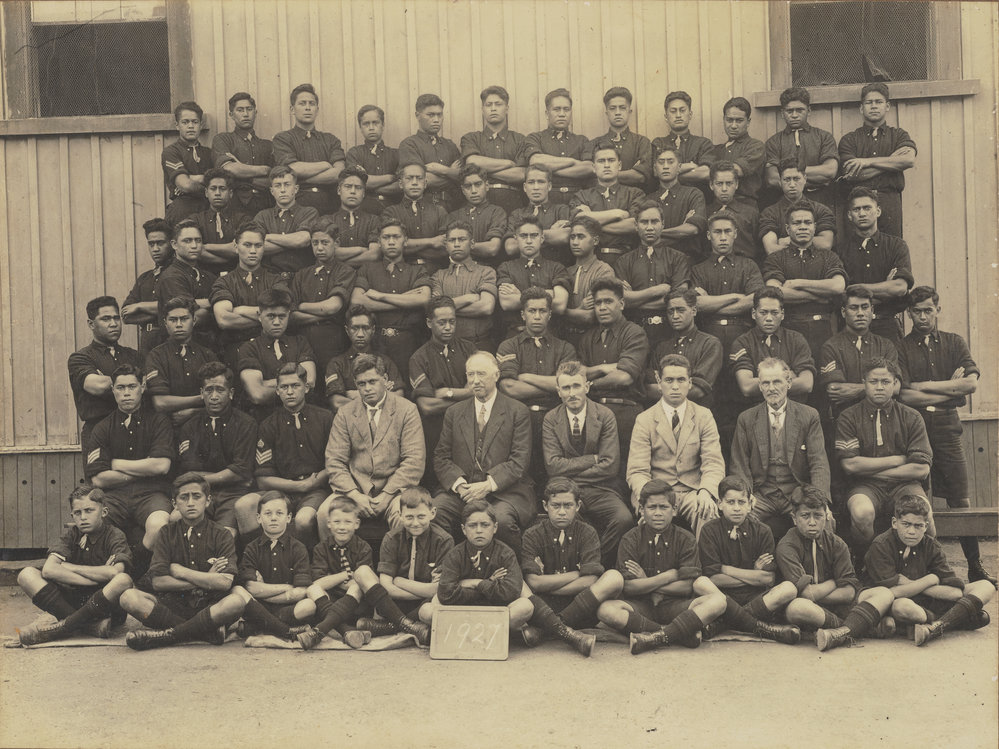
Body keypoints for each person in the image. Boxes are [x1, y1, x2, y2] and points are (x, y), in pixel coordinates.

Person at [898, 286, 994, 585]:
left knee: (959, 497)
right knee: (918, 499)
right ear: (909, 313)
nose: (923, 316)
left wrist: (924, 385)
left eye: (928, 310)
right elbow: (902, 394)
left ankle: (975, 565)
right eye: (917, 311)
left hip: (947, 429)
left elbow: (969, 386)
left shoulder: (954, 342)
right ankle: (926, 569)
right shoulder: (901, 347)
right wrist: (947, 390)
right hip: (915, 428)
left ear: (937, 310)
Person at [596, 480, 726, 654]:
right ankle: (677, 633)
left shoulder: (685, 539)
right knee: (606, 610)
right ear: (641, 510)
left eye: (664, 507)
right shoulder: (630, 539)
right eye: (652, 507)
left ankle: (655, 636)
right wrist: (669, 576)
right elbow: (629, 587)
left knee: (717, 601)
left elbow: (687, 586)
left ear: (674, 510)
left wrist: (646, 581)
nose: (658, 513)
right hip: (642, 607)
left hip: (676, 607)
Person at [119, 474, 247, 651]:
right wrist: (205, 579)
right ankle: (204, 633)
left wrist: (181, 572)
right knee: (129, 598)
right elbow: (159, 582)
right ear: (175, 504)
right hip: (174, 606)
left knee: (236, 602)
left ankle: (166, 636)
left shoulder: (222, 534)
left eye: (197, 496)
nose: (191, 502)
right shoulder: (166, 533)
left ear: (208, 500)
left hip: (209, 605)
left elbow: (224, 582)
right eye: (184, 497)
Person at [432, 352, 535, 555]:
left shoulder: (517, 411)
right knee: (435, 512)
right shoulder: (455, 412)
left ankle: (512, 573)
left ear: (496, 375)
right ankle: (450, 568)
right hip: (464, 491)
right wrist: (461, 487)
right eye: (471, 375)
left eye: (481, 374)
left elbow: (519, 461)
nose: (475, 380)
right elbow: (441, 457)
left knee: (502, 521)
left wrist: (488, 485)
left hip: (504, 493)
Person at [296, 496, 431, 649]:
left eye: (347, 522)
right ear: (328, 524)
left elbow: (362, 583)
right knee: (313, 589)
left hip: (357, 604)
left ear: (356, 524)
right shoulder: (321, 549)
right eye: (337, 522)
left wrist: (335, 581)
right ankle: (345, 631)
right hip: (330, 602)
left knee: (358, 582)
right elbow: (318, 582)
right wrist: (345, 575)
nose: (342, 527)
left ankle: (320, 631)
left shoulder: (363, 547)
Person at [836, 357, 933, 563]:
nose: (879, 387)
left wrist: (870, 468)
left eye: (886, 382)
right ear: (864, 383)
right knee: (862, 512)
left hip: (905, 485)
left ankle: (922, 566)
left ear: (895, 384)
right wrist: (898, 460)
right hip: (866, 486)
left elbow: (921, 469)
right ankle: (868, 563)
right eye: (873, 382)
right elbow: (850, 465)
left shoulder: (911, 416)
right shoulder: (848, 417)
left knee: (924, 512)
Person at [864, 495, 994, 646]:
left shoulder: (931, 545)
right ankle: (959, 617)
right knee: (902, 607)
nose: (911, 531)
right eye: (906, 524)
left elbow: (956, 592)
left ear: (926, 526)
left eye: (918, 526)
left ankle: (937, 626)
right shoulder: (881, 545)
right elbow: (891, 593)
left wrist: (912, 583)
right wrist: (930, 580)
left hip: (932, 601)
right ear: (894, 522)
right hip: (901, 604)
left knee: (986, 586)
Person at [777, 487, 895, 651]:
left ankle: (839, 633)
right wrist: (835, 582)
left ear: (826, 516)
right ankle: (861, 628)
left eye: (818, 516)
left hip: (840, 606)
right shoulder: (787, 546)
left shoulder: (837, 543)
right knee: (797, 607)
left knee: (885, 593)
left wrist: (820, 591)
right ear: (794, 518)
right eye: (805, 516)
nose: (812, 522)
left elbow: (849, 593)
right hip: (810, 611)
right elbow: (806, 594)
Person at [321, 353, 426, 537]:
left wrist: (386, 495)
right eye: (361, 384)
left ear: (385, 379)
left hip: (394, 492)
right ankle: (334, 565)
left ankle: (401, 565)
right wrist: (354, 495)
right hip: (354, 491)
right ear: (355, 384)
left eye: (372, 381)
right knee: (324, 514)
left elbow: (414, 461)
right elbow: (335, 462)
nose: (367, 388)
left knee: (405, 517)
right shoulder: (345, 413)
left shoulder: (407, 410)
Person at [542, 361, 634, 568]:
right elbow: (553, 466)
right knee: (568, 520)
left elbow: (610, 465)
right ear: (558, 391)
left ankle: (597, 563)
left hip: (602, 489)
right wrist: (592, 459)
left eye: (576, 386)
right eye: (566, 388)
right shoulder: (550, 419)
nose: (572, 393)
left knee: (623, 519)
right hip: (565, 491)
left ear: (587, 386)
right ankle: (577, 565)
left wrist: (570, 472)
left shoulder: (604, 415)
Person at [15, 486, 133, 646]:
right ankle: (89, 626)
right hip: (74, 601)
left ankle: (60, 628)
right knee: (27, 574)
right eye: (78, 513)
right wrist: (94, 577)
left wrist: (68, 566)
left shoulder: (114, 535)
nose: (83, 517)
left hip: (105, 604)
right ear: (72, 515)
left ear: (104, 512)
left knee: (123, 580)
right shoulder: (72, 534)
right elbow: (49, 570)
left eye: (89, 510)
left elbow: (115, 572)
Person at [519, 477, 623, 656]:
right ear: (545, 506)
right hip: (544, 606)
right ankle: (565, 631)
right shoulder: (532, 534)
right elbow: (533, 582)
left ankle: (548, 629)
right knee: (519, 583)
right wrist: (577, 573)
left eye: (567, 505)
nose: (561, 512)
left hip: (580, 605)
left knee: (614, 577)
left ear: (578, 506)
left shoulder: (587, 532)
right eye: (555, 505)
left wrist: (548, 584)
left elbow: (591, 580)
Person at [84, 364, 173, 572]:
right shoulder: (102, 428)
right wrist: (143, 470)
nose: (126, 393)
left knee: (160, 525)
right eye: (120, 387)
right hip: (114, 497)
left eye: (131, 387)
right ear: (113, 390)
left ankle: (135, 569)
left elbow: (162, 466)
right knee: (92, 522)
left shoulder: (159, 421)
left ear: (142, 387)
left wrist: (117, 464)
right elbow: (98, 479)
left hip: (151, 495)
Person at [730, 358, 831, 540]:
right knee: (737, 520)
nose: (771, 388)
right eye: (765, 383)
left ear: (789, 383)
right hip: (761, 494)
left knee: (825, 520)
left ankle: (820, 567)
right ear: (759, 386)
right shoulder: (746, 419)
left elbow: (819, 462)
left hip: (797, 491)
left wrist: (820, 500)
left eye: (777, 382)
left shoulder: (808, 416)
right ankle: (751, 568)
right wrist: (746, 496)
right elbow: (739, 463)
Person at [627, 354, 724, 539]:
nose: (675, 386)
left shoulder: (704, 416)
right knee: (653, 513)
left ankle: (702, 566)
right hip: (656, 489)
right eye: (669, 380)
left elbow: (713, 463)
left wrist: (706, 491)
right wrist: (648, 495)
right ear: (659, 381)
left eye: (681, 380)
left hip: (692, 491)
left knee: (707, 511)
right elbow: (637, 470)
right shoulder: (645, 419)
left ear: (690, 382)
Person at [235, 362, 332, 546]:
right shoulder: (268, 425)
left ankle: (308, 563)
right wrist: (300, 486)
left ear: (307, 387)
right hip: (282, 491)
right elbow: (263, 479)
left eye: (295, 386)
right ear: (277, 391)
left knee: (304, 519)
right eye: (284, 387)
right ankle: (261, 558)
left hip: (317, 489)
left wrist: (312, 483)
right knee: (244, 505)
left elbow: (336, 462)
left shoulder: (325, 418)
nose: (289, 392)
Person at [697, 476, 800, 640]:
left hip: (756, 598)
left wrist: (726, 569)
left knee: (788, 588)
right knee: (702, 584)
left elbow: (768, 579)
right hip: (723, 597)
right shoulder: (709, 531)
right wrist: (753, 573)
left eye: (741, 502)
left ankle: (725, 623)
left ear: (750, 503)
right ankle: (762, 628)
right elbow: (714, 579)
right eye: (731, 502)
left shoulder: (763, 531)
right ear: (720, 503)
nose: (737, 508)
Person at [419, 500, 536, 643]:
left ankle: (463, 635)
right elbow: (445, 594)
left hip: (496, 612)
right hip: (462, 613)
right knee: (426, 611)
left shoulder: (506, 553)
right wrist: (490, 584)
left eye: (485, 525)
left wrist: (476, 583)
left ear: (495, 527)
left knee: (525, 606)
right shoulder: (455, 554)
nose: (479, 530)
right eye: (472, 526)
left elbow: (510, 592)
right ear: (463, 529)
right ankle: (497, 635)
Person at [497, 287, 578, 486]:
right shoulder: (509, 345)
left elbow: (568, 385)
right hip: (519, 418)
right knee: (523, 473)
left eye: (542, 311)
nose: (537, 316)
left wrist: (526, 377)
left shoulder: (564, 347)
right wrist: (553, 384)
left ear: (550, 314)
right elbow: (509, 387)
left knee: (555, 473)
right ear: (523, 314)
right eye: (532, 311)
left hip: (556, 417)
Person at [176, 362, 256, 539]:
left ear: (231, 393)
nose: (213, 396)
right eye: (208, 390)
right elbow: (189, 470)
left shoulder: (245, 424)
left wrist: (204, 477)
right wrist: (226, 474)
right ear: (201, 393)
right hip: (199, 493)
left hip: (232, 494)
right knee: (175, 522)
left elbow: (240, 471)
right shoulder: (190, 426)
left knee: (225, 536)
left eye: (220, 390)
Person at [577, 278, 650, 462]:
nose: (602, 307)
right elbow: (578, 373)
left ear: (622, 304)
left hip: (625, 410)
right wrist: (603, 368)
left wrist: (589, 383)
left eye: (608, 301)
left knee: (625, 469)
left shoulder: (634, 333)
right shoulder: (587, 337)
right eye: (598, 303)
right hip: (593, 412)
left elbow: (624, 377)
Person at [350, 217, 434, 379]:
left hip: (409, 342)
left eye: (396, 237)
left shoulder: (417, 271)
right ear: (379, 242)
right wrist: (405, 300)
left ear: (405, 241)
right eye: (386, 237)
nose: (391, 241)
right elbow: (357, 302)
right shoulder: (367, 269)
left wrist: (379, 296)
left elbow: (423, 300)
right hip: (375, 342)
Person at [762, 203, 847, 359]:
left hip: (823, 329)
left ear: (815, 227)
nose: (802, 227)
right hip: (788, 329)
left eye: (807, 223)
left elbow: (838, 286)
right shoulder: (776, 258)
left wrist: (798, 283)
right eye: (797, 223)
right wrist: (820, 295)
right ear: (788, 229)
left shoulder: (829, 257)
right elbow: (775, 293)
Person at [409, 296, 476, 489]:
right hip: (436, 428)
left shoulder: (469, 349)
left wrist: (446, 392)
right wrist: (465, 394)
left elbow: (480, 391)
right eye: (442, 322)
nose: (448, 327)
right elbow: (427, 406)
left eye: (452, 322)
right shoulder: (419, 358)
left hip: (468, 424)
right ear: (429, 323)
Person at [368, 487, 454, 630]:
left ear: (432, 513)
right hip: (395, 602)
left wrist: (399, 581)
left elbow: (437, 590)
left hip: (424, 603)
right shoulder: (391, 538)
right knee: (375, 589)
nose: (415, 523)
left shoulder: (444, 541)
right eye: (409, 517)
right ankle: (409, 626)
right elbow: (386, 586)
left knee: (433, 608)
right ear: (400, 515)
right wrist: (421, 590)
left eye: (421, 516)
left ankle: (391, 626)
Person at [838, 83, 917, 237]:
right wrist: (891, 162)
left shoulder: (899, 135)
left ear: (887, 106)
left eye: (878, 102)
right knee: (857, 251)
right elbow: (851, 174)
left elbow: (908, 160)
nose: (873, 106)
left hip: (889, 201)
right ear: (861, 108)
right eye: (869, 102)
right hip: (858, 204)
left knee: (891, 248)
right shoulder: (849, 139)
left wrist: (867, 162)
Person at [836, 187, 913, 341]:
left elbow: (900, 288)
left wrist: (857, 289)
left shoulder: (896, 246)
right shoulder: (840, 251)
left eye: (867, 208)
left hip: (887, 325)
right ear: (849, 215)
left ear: (877, 211)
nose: (862, 213)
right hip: (852, 329)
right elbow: (841, 295)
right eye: (856, 209)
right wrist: (885, 287)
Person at [210, 223, 291, 370]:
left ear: (264, 247)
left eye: (258, 245)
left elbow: (285, 312)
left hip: (272, 351)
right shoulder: (225, 282)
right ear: (236, 246)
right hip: (237, 351)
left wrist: (239, 310)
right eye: (247, 245)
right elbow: (224, 319)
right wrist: (268, 317)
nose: (253, 251)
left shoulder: (276, 281)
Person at [235, 491, 313, 640]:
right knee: (238, 590)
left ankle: (260, 625)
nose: (273, 518)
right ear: (259, 518)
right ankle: (285, 631)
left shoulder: (298, 548)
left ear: (288, 518)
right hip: (259, 606)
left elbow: (301, 591)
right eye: (268, 513)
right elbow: (250, 588)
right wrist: (287, 587)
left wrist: (264, 590)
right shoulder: (252, 548)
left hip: (286, 608)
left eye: (279, 513)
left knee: (309, 605)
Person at [289, 217, 357, 380]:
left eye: (325, 242)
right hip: (303, 343)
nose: (319, 248)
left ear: (337, 242)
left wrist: (303, 305)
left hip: (333, 342)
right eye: (315, 243)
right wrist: (326, 315)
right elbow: (291, 315)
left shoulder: (345, 271)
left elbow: (332, 307)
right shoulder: (301, 275)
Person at [616, 201, 691, 348]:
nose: (649, 227)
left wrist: (636, 299)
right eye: (644, 222)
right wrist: (657, 291)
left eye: (654, 221)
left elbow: (679, 298)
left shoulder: (678, 258)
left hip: (670, 331)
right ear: (636, 226)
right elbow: (623, 301)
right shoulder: (624, 261)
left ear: (662, 224)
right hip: (634, 331)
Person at [819, 285, 899, 421]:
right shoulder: (831, 346)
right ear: (844, 312)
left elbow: (896, 388)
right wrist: (879, 387)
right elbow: (835, 390)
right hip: (846, 419)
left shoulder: (885, 345)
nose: (860, 313)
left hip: (883, 419)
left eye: (865, 307)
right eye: (854, 308)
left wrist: (854, 390)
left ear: (872, 310)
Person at [68, 296, 140, 448]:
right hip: (98, 431)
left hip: (135, 430)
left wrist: (109, 380)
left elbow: (148, 386)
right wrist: (133, 383)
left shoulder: (134, 356)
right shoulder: (80, 357)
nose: (113, 324)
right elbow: (97, 386)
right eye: (106, 319)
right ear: (91, 324)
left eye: (116, 318)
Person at [236, 287, 316, 420]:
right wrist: (296, 383)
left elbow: (310, 382)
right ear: (259, 316)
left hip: (302, 416)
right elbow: (257, 394)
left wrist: (266, 383)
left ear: (289, 315)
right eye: (271, 316)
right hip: (266, 418)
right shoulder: (249, 348)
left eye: (282, 316)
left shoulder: (300, 342)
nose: (277, 322)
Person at [731, 288, 815, 404]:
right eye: (763, 312)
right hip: (758, 412)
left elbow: (806, 384)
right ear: (754, 314)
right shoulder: (742, 343)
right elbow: (747, 387)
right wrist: (787, 376)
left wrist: (763, 381)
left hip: (793, 410)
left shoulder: (796, 339)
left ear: (782, 314)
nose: (769, 318)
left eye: (774, 313)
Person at [272, 83, 345, 215]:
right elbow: (292, 169)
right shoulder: (283, 138)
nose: (307, 108)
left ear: (317, 109)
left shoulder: (330, 140)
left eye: (311, 104)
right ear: (292, 109)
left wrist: (301, 179)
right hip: (298, 206)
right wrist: (325, 165)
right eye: (302, 103)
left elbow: (339, 173)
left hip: (330, 205)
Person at [144, 295, 218, 425]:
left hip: (203, 425)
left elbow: (220, 397)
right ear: (165, 323)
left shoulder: (208, 355)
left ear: (194, 320)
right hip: (168, 427)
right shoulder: (156, 356)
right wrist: (203, 398)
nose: (179, 325)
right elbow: (160, 403)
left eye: (184, 319)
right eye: (173, 320)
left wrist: (194, 412)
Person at [569, 141, 644, 267]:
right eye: (601, 161)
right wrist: (618, 214)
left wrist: (590, 223)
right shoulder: (582, 196)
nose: (607, 165)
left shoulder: (635, 194)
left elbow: (634, 225)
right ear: (593, 167)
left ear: (619, 165)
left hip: (628, 260)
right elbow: (577, 221)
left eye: (611, 160)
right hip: (591, 261)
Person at [763, 87, 839, 210]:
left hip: (819, 199)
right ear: (782, 113)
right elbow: (772, 179)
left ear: (809, 111)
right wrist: (816, 179)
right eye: (789, 111)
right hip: (786, 202)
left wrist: (790, 179)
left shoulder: (824, 137)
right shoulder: (774, 142)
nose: (794, 115)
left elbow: (830, 171)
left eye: (799, 110)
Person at [496, 217, 571, 339]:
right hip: (515, 336)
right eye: (524, 236)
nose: (529, 241)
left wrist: (520, 294)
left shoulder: (556, 268)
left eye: (534, 235)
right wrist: (550, 293)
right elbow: (506, 303)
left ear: (542, 238)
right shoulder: (506, 268)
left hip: (550, 336)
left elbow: (560, 305)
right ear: (516, 238)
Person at [646, 289, 723, 408]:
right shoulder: (661, 347)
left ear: (693, 311)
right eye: (670, 311)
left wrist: (664, 387)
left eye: (681, 310)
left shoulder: (710, 343)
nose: (675, 316)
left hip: (698, 415)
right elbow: (649, 388)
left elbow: (698, 390)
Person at [429, 222, 498, 350]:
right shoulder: (438, 276)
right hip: (446, 346)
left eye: (462, 239)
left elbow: (486, 307)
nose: (456, 244)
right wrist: (467, 298)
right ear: (446, 245)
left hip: (478, 345)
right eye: (451, 240)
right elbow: (433, 309)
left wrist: (445, 308)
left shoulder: (486, 271)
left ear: (471, 244)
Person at [460, 85, 528, 214]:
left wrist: (482, 172)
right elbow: (472, 162)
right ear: (482, 109)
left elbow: (521, 174)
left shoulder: (520, 139)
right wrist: (508, 163)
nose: (493, 109)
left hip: (513, 202)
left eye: (498, 104)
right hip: (481, 203)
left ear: (507, 108)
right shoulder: (471, 138)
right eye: (488, 105)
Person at [323, 305, 403, 412]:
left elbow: (399, 397)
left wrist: (355, 394)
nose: (360, 334)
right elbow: (336, 402)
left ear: (373, 330)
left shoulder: (385, 362)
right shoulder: (337, 364)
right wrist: (381, 394)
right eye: (355, 328)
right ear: (347, 330)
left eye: (365, 328)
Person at [523, 88, 594, 204]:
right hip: (547, 200)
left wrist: (548, 169)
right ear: (547, 113)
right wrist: (573, 161)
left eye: (566, 109)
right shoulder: (535, 138)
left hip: (577, 199)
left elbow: (588, 168)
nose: (562, 114)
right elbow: (535, 161)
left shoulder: (581, 140)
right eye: (556, 109)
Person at [155, 219, 217, 348]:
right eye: (187, 241)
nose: (194, 246)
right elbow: (192, 317)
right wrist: (216, 307)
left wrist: (203, 305)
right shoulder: (171, 277)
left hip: (208, 347)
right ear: (174, 245)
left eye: (198, 240)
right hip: (181, 347)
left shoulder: (208, 276)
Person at [212, 91, 275, 215]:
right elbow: (229, 169)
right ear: (231, 114)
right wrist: (265, 170)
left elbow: (274, 180)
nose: (245, 114)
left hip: (265, 204)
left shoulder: (268, 145)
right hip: (234, 204)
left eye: (249, 109)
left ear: (255, 113)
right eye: (240, 110)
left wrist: (242, 175)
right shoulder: (223, 139)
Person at [253, 165, 320, 276]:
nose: (283, 190)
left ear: (296, 189)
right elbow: (255, 246)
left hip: (301, 277)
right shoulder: (262, 216)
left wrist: (267, 237)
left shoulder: (309, 212)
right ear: (272, 191)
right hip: (269, 278)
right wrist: (291, 242)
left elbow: (302, 240)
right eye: (278, 186)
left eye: (287, 185)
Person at [399, 93, 462, 210]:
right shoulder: (409, 144)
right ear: (417, 115)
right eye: (431, 115)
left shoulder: (450, 145)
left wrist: (442, 170)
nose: (436, 120)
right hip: (424, 207)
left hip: (453, 207)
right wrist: (451, 173)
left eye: (439, 115)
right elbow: (419, 180)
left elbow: (463, 176)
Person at [759, 160, 836, 255]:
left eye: (796, 179)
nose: (792, 185)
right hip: (784, 265)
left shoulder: (821, 210)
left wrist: (789, 240)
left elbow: (825, 244)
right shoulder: (770, 213)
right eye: (787, 179)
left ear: (805, 179)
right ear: (780, 181)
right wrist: (808, 240)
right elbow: (771, 249)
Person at [561, 217, 616, 348]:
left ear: (595, 240)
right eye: (572, 237)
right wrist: (578, 310)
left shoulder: (603, 271)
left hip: (592, 340)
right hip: (564, 338)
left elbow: (590, 316)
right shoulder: (564, 272)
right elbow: (581, 313)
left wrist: (560, 312)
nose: (575, 242)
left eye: (580, 237)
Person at [503, 164, 572, 267]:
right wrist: (551, 234)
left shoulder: (561, 210)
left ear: (549, 186)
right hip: (523, 272)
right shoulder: (517, 214)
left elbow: (564, 237)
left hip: (554, 271)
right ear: (525, 187)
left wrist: (524, 237)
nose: (536, 187)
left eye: (541, 182)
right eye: (531, 182)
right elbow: (510, 247)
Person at [381, 163, 449, 269]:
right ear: (400, 184)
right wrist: (431, 242)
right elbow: (392, 246)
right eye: (409, 178)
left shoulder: (439, 211)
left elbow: (444, 248)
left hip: (434, 270)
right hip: (401, 270)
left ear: (425, 183)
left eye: (419, 178)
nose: (414, 183)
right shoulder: (391, 212)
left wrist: (408, 246)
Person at [122, 218, 173, 358]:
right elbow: (126, 315)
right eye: (151, 244)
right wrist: (161, 311)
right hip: (147, 342)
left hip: (170, 338)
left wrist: (140, 306)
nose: (155, 249)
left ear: (171, 243)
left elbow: (179, 307)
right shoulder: (145, 279)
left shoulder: (177, 274)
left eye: (160, 243)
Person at [646, 146, 707, 260]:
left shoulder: (693, 194)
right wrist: (680, 229)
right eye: (661, 162)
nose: (665, 166)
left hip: (687, 260)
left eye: (670, 162)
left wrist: (656, 233)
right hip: (656, 261)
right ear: (655, 168)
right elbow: (643, 237)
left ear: (679, 167)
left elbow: (692, 229)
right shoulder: (649, 200)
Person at [703, 97, 765, 208]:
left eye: (739, 121)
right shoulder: (716, 150)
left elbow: (734, 172)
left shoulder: (755, 146)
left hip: (744, 205)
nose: (733, 126)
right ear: (724, 120)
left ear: (748, 122)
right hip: (717, 204)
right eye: (729, 120)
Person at [590, 86, 653, 189]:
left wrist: (604, 174)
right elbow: (590, 175)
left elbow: (640, 177)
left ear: (629, 111)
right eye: (612, 108)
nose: (618, 112)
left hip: (634, 200)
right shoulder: (594, 143)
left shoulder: (642, 142)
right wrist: (630, 173)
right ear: (607, 112)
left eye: (622, 108)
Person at [446, 164, 509, 267]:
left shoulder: (496, 212)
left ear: (487, 186)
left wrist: (459, 247)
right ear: (462, 190)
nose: (474, 191)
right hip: (457, 270)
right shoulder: (454, 216)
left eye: (478, 184)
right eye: (468, 186)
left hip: (486, 269)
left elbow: (492, 248)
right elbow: (445, 247)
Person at [651, 91, 714, 189]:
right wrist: (690, 166)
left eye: (682, 110)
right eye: (673, 111)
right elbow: (655, 172)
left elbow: (705, 173)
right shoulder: (659, 143)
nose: (678, 115)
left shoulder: (703, 143)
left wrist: (669, 174)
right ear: (666, 117)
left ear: (690, 114)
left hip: (697, 199)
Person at [161, 101, 211, 222]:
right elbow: (185, 185)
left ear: (201, 124)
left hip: (207, 208)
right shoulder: (171, 152)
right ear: (177, 125)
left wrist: (192, 177)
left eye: (195, 122)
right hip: (183, 208)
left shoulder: (209, 153)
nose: (190, 126)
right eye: (185, 122)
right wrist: (208, 180)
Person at [346, 104, 401, 215]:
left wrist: (368, 188)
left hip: (393, 209)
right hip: (364, 210)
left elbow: (401, 186)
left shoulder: (396, 154)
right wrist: (391, 178)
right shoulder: (355, 153)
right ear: (361, 127)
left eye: (375, 123)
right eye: (366, 124)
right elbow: (356, 183)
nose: (371, 127)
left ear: (383, 125)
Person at [703, 161, 761, 264]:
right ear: (711, 185)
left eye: (729, 183)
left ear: (737, 184)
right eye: (719, 184)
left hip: (744, 267)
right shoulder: (705, 213)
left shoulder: (750, 213)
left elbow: (759, 248)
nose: (724, 189)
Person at [192, 168, 250, 271]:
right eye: (213, 188)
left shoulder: (242, 219)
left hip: (236, 277)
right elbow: (194, 250)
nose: (217, 193)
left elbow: (243, 249)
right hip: (206, 276)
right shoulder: (196, 220)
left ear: (231, 193)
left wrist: (206, 247)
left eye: (222, 188)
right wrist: (229, 259)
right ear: (206, 192)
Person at [322, 165, 381, 266]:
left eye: (358, 188)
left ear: (363, 193)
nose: (353, 191)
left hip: (365, 277)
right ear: (339, 190)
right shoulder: (327, 220)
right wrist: (361, 250)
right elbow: (326, 252)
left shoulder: (373, 220)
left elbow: (374, 255)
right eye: (348, 186)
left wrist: (340, 262)